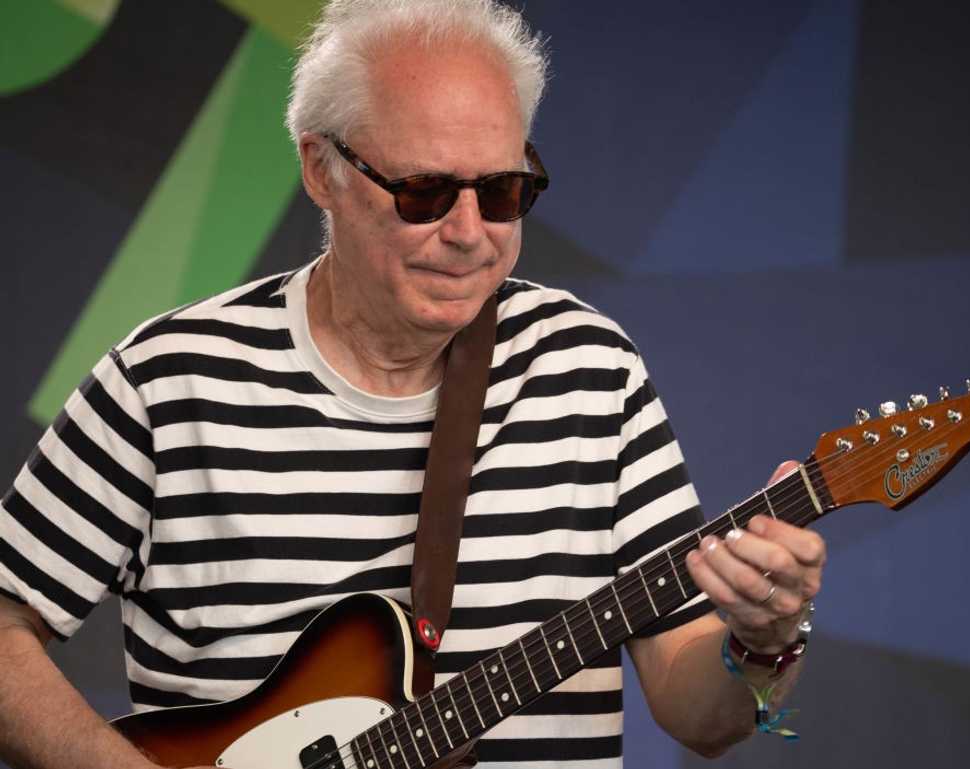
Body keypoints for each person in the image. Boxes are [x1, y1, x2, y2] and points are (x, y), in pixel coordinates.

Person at [0, 2, 825, 768]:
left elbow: (700, 717)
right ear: (321, 170)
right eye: (424, 191)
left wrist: (762, 643)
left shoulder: (591, 373)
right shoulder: (168, 380)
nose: (469, 235)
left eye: (502, 191)